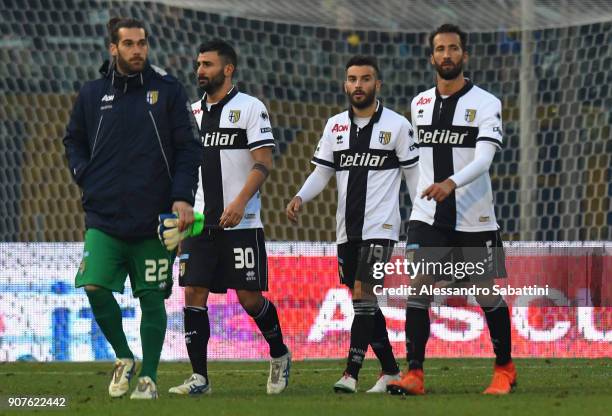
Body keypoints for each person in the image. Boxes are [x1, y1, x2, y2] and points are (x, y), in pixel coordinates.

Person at [63, 17, 202, 399]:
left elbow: (189, 149)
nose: (137, 50)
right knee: (93, 286)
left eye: (142, 43)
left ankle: (150, 378)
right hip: (103, 217)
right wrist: (84, 175)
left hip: (155, 219)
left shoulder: (167, 90)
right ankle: (124, 357)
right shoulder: (92, 94)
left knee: (152, 297)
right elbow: (72, 140)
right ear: (113, 48)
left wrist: (182, 198)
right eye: (129, 44)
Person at [387, 23, 516, 396]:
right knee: (419, 285)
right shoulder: (419, 103)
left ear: (465, 55)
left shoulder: (487, 102)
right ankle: (415, 374)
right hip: (427, 216)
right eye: (440, 49)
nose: (447, 54)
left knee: (485, 292)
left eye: (454, 48)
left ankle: (504, 367)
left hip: (474, 216)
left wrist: (450, 184)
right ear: (432, 57)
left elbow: (485, 160)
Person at [287, 55, 419, 393]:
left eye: (365, 78)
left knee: (362, 293)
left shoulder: (398, 125)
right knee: (364, 302)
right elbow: (322, 171)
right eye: (352, 79)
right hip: (347, 230)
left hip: (382, 228)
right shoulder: (335, 126)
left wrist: (422, 219)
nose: (358, 85)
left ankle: (350, 373)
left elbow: (414, 178)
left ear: (378, 84)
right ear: (345, 84)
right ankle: (390, 369)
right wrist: (301, 197)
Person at [168, 39, 290, 396]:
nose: (199, 71)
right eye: (198, 64)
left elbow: (263, 162)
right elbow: (183, 167)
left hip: (243, 221)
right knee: (193, 292)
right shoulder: (191, 114)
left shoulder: (251, 108)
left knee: (250, 299)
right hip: (199, 221)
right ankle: (199, 378)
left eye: (207, 64)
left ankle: (280, 354)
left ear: (228, 68)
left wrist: (238, 202)